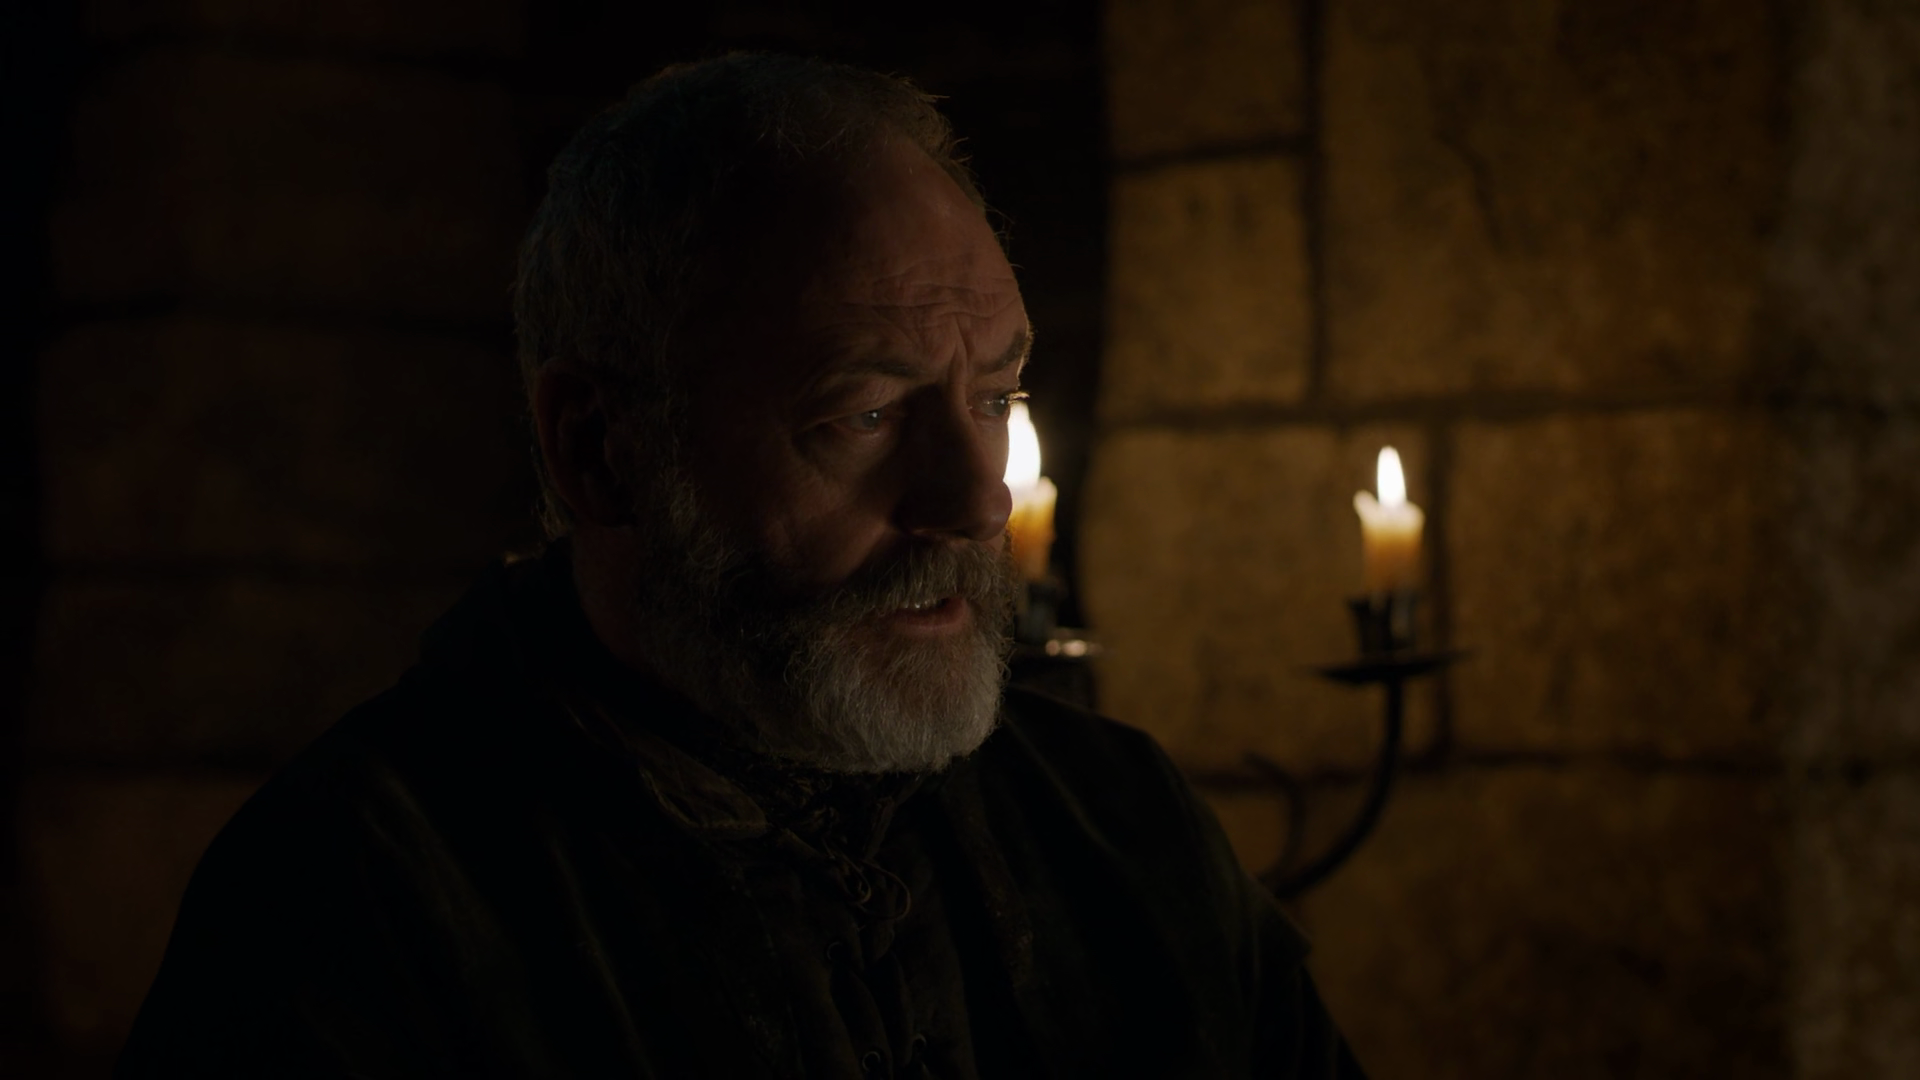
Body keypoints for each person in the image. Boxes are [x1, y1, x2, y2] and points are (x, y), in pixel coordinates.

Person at [117, 54, 1366, 1079]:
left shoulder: (1118, 824)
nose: (976, 500)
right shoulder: (360, 904)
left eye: (995, 397)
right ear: (601, 448)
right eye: (863, 413)